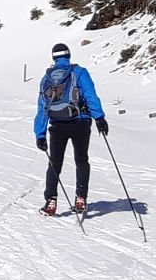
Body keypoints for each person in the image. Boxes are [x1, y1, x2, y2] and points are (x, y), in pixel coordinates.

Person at [33, 42, 106, 216]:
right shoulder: (79, 72)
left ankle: (50, 201)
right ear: (69, 55)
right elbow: (90, 95)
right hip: (80, 122)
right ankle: (81, 198)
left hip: (57, 124)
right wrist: (99, 117)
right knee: (81, 160)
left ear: (54, 58)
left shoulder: (47, 78)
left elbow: (42, 106)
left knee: (54, 163)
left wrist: (40, 133)